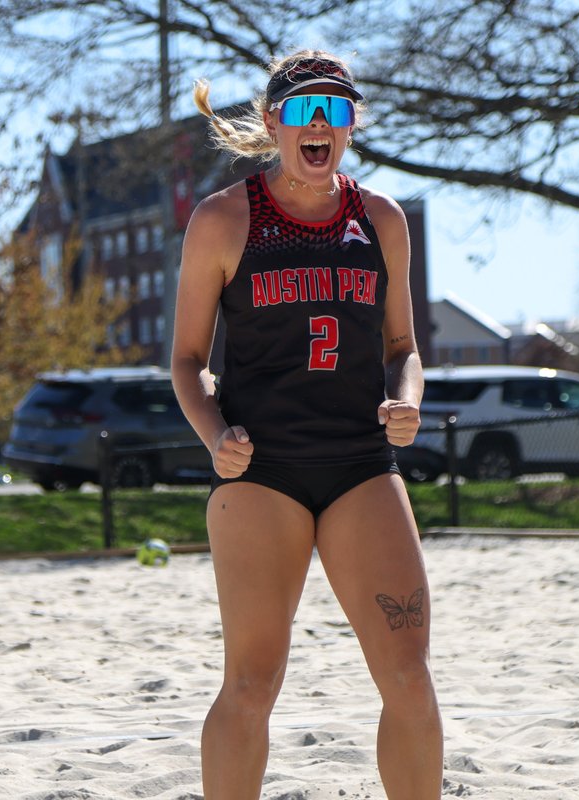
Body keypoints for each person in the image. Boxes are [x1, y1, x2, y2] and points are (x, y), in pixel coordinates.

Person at [170, 50, 443, 800]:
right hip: (261, 473)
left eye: (336, 110)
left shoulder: (380, 219)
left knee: (409, 680)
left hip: (361, 463)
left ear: (352, 125)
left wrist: (406, 397)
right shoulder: (223, 219)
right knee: (252, 683)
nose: (318, 124)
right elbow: (188, 361)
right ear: (272, 123)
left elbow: (402, 348)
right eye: (300, 110)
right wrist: (212, 435)